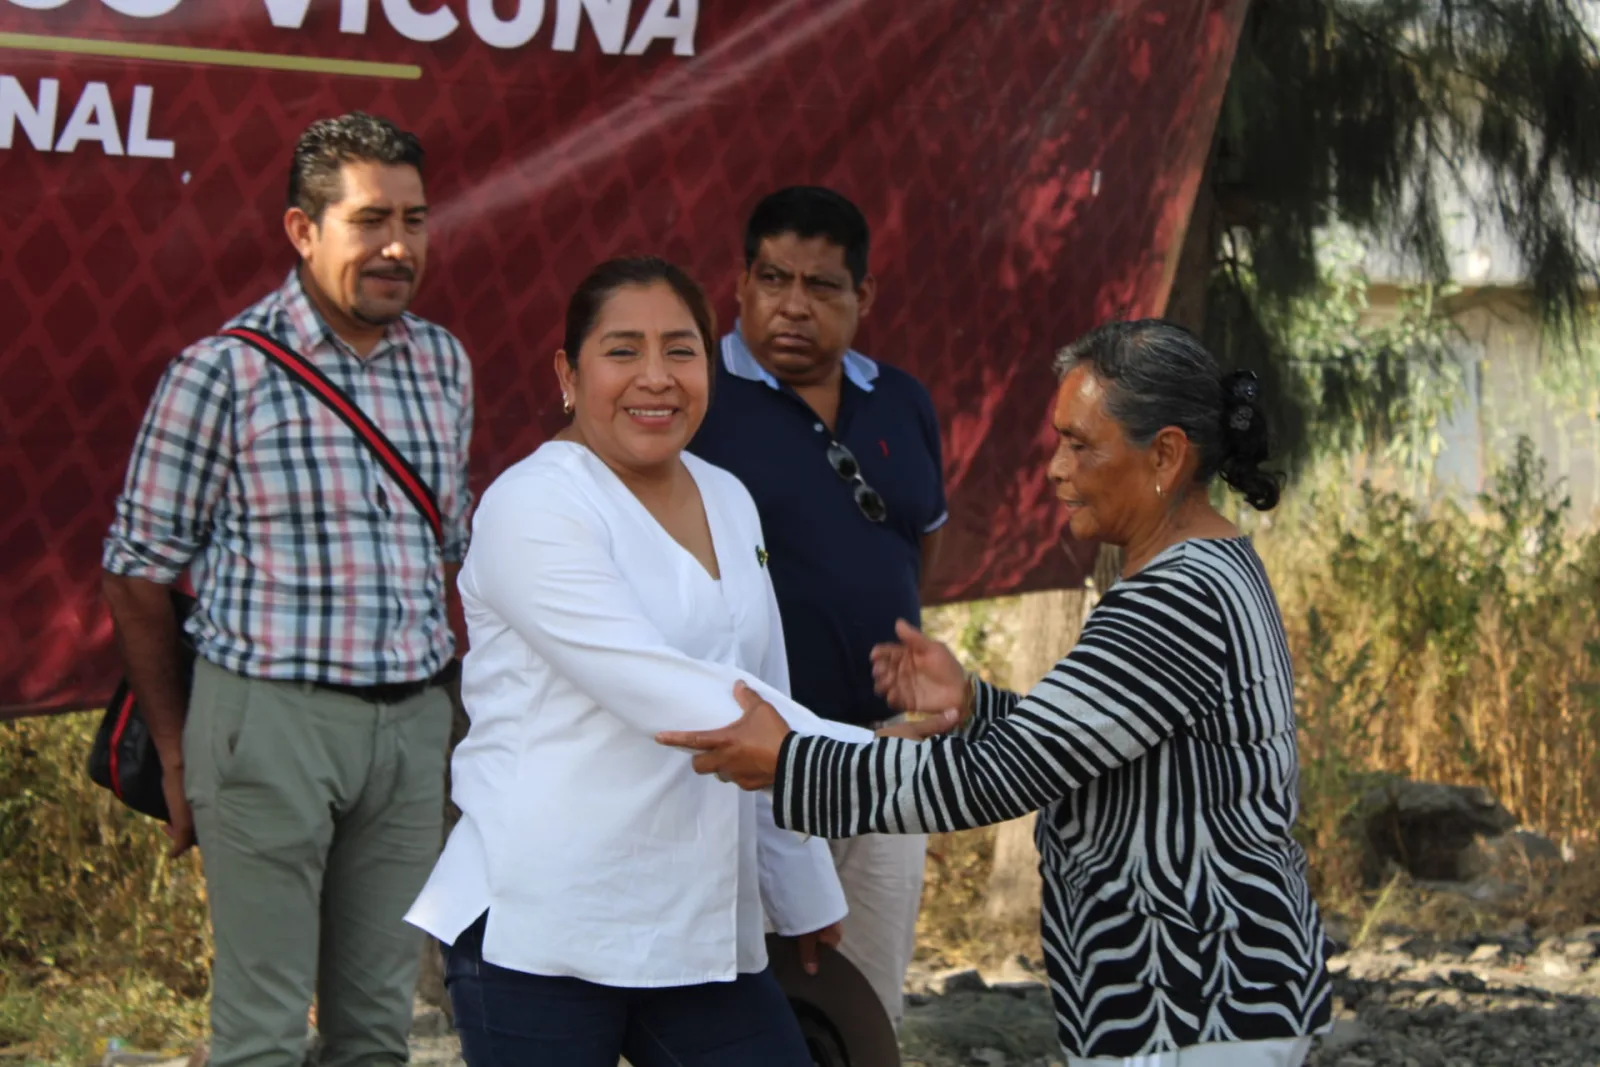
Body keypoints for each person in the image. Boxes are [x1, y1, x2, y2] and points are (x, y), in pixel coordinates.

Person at [660, 320, 1336, 1067]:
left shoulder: (1174, 600)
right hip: (1209, 1000)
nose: (1055, 468)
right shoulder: (1211, 569)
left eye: (1081, 444)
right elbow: (1109, 745)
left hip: (1192, 1006)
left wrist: (790, 763)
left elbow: (999, 776)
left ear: (1167, 455)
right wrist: (979, 708)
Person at [403, 256, 882, 1067]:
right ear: (568, 371)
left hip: (697, 917)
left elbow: (764, 689)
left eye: (681, 350)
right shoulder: (534, 504)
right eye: (623, 351)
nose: (655, 378)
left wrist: (799, 889)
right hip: (540, 921)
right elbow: (671, 694)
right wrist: (905, 766)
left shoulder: (727, 495)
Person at [101, 112, 473, 1067]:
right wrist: (181, 749)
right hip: (267, 726)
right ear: (303, 231)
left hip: (406, 735)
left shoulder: (442, 364)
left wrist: (445, 722)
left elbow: (445, 554)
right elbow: (137, 570)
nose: (398, 245)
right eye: (369, 220)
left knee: (375, 1033)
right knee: (262, 1035)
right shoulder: (220, 373)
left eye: (416, 220)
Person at [687, 185, 948, 1027]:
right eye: (774, 278)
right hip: (752, 766)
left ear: (863, 296)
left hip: (883, 763)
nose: (793, 305)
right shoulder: (696, 403)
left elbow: (916, 546)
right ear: (740, 283)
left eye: (822, 285)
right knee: (751, 1011)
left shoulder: (902, 401)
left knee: (865, 1010)